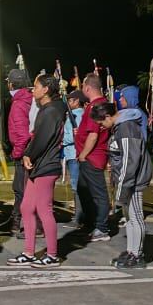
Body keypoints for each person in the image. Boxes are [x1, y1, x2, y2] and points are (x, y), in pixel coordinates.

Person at [9, 73, 68, 268]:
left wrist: (28, 154)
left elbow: (42, 138)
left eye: (36, 86)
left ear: (46, 89)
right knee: (27, 207)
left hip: (46, 165)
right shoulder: (49, 109)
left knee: (44, 209)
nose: (32, 90)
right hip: (40, 165)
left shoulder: (51, 111)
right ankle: (29, 252)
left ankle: (52, 255)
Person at [95, 99, 153, 269]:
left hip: (133, 181)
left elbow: (130, 161)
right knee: (129, 218)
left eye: (101, 123)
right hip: (127, 180)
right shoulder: (120, 127)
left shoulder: (126, 127)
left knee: (135, 217)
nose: (101, 127)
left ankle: (137, 255)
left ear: (108, 116)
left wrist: (122, 187)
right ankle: (131, 251)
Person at [74, 74, 112, 241]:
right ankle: (90, 222)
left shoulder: (95, 106)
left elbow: (94, 134)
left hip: (92, 157)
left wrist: (83, 154)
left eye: (83, 86)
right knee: (83, 190)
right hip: (92, 156)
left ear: (88, 88)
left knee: (98, 193)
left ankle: (102, 228)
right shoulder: (101, 104)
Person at [5, 70, 34, 234]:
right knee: (24, 188)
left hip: (23, 152)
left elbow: (23, 134)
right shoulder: (29, 99)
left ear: (11, 84)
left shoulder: (18, 104)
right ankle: (16, 219)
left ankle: (18, 221)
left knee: (20, 188)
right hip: (29, 150)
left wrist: (17, 153)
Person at [63, 90, 86, 221]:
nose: (68, 102)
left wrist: (62, 140)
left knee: (76, 185)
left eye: (70, 100)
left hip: (74, 153)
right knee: (76, 184)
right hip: (71, 153)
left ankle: (79, 216)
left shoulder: (78, 115)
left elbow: (75, 135)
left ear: (77, 101)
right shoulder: (74, 114)